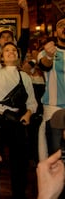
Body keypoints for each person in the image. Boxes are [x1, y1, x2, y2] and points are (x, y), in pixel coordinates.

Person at [0, 21, 38, 198]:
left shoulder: (24, 76)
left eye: (14, 51)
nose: (11, 52)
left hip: (18, 121)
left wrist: (27, 114)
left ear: (18, 55)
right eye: (7, 51)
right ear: (2, 56)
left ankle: (18, 194)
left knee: (20, 164)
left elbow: (32, 102)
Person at [38, 16, 65, 161]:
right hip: (54, 109)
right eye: (61, 25)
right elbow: (44, 65)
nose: (64, 27)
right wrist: (49, 55)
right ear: (56, 31)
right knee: (56, 156)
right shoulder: (47, 52)